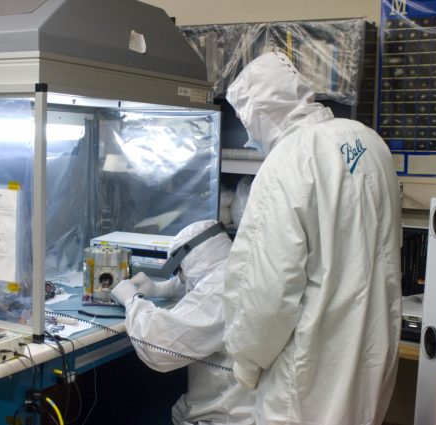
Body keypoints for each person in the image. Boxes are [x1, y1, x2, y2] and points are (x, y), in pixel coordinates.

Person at [222, 51, 402, 425]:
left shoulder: (290, 159)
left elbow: (266, 291)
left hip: (307, 378)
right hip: (370, 357)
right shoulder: (371, 143)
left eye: (247, 123)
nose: (250, 136)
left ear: (259, 114)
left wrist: (246, 362)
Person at [111, 220, 255, 425]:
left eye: (180, 269)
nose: (181, 276)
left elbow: (157, 343)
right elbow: (197, 282)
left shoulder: (218, 293)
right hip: (243, 404)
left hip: (226, 415)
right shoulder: (238, 269)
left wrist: (132, 301)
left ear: (190, 259)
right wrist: (161, 289)